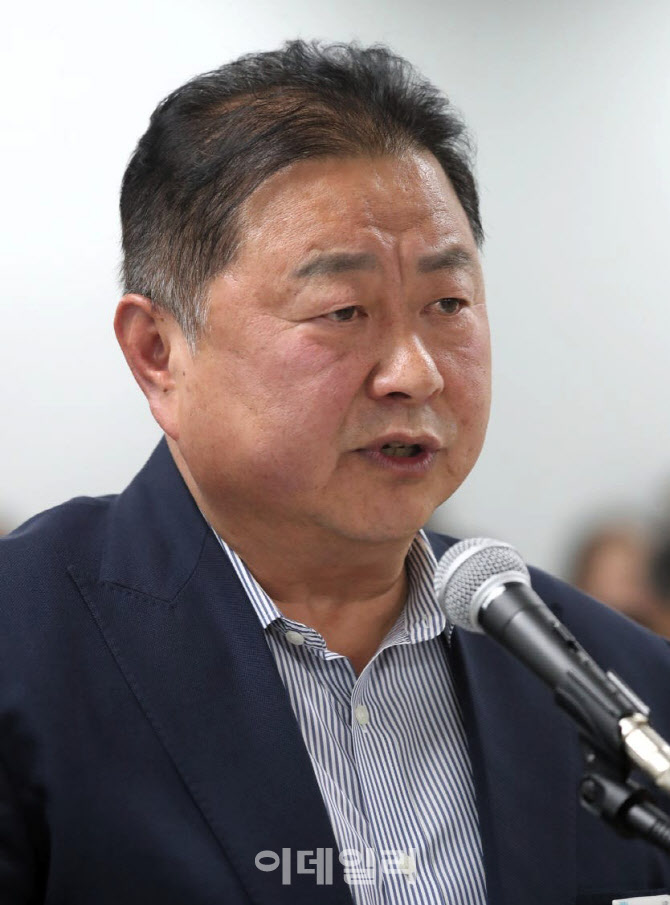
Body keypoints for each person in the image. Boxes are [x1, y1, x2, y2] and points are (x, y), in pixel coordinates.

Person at [1, 41, 670, 905]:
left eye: (448, 304)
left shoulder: (629, 689)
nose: (415, 372)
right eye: (344, 311)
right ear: (159, 352)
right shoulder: (25, 648)